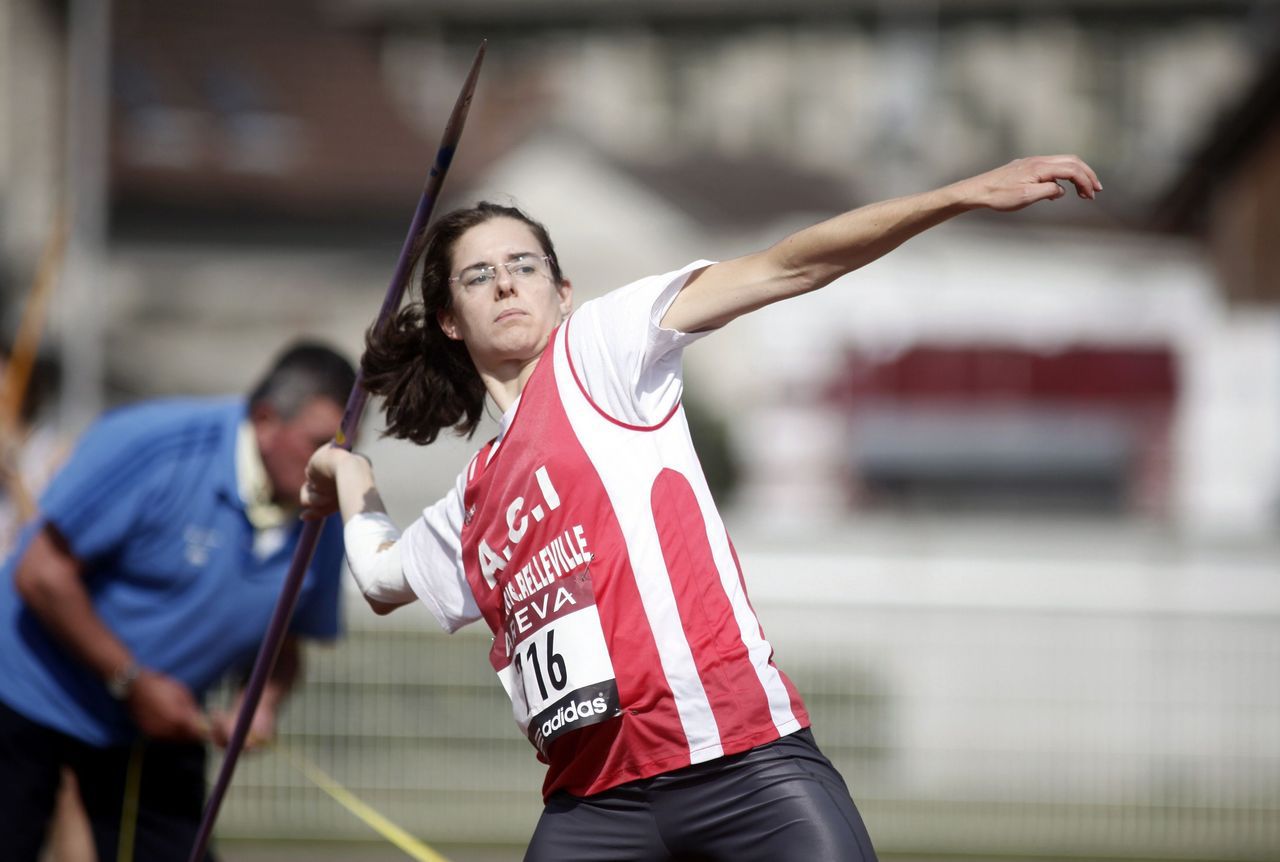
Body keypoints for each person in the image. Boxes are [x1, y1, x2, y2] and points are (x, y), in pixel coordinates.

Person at [302, 155, 1102, 861]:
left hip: (743, 765)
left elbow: (790, 266)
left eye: (525, 265)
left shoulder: (601, 352)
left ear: (562, 289)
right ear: (449, 317)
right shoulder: (473, 499)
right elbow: (379, 576)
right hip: (594, 805)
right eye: (478, 275)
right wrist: (346, 471)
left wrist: (961, 194)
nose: (506, 282)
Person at [0, 340, 356, 862]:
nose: (334, 464)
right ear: (265, 421)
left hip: (157, 723)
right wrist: (131, 681)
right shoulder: (156, 445)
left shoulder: (326, 509)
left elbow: (287, 641)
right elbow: (41, 574)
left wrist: (259, 706)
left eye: (346, 450)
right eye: (319, 443)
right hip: (25, 693)